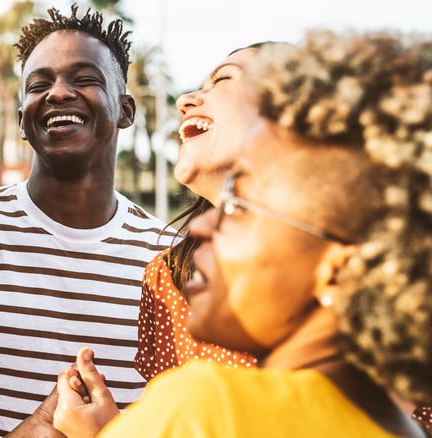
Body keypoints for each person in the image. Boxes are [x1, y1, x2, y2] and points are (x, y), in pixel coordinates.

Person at [53, 30, 432, 437]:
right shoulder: (397, 426)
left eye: (239, 206)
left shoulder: (206, 402)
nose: (200, 227)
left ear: (338, 271)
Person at [0, 5, 175, 436]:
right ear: (23, 121)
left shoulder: (169, 258)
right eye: (40, 84)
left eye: (85, 79)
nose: (58, 93)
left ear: (125, 110)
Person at [135, 43, 269, 379]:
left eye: (222, 80)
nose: (184, 100)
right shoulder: (166, 277)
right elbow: (166, 410)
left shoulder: (376, 264)